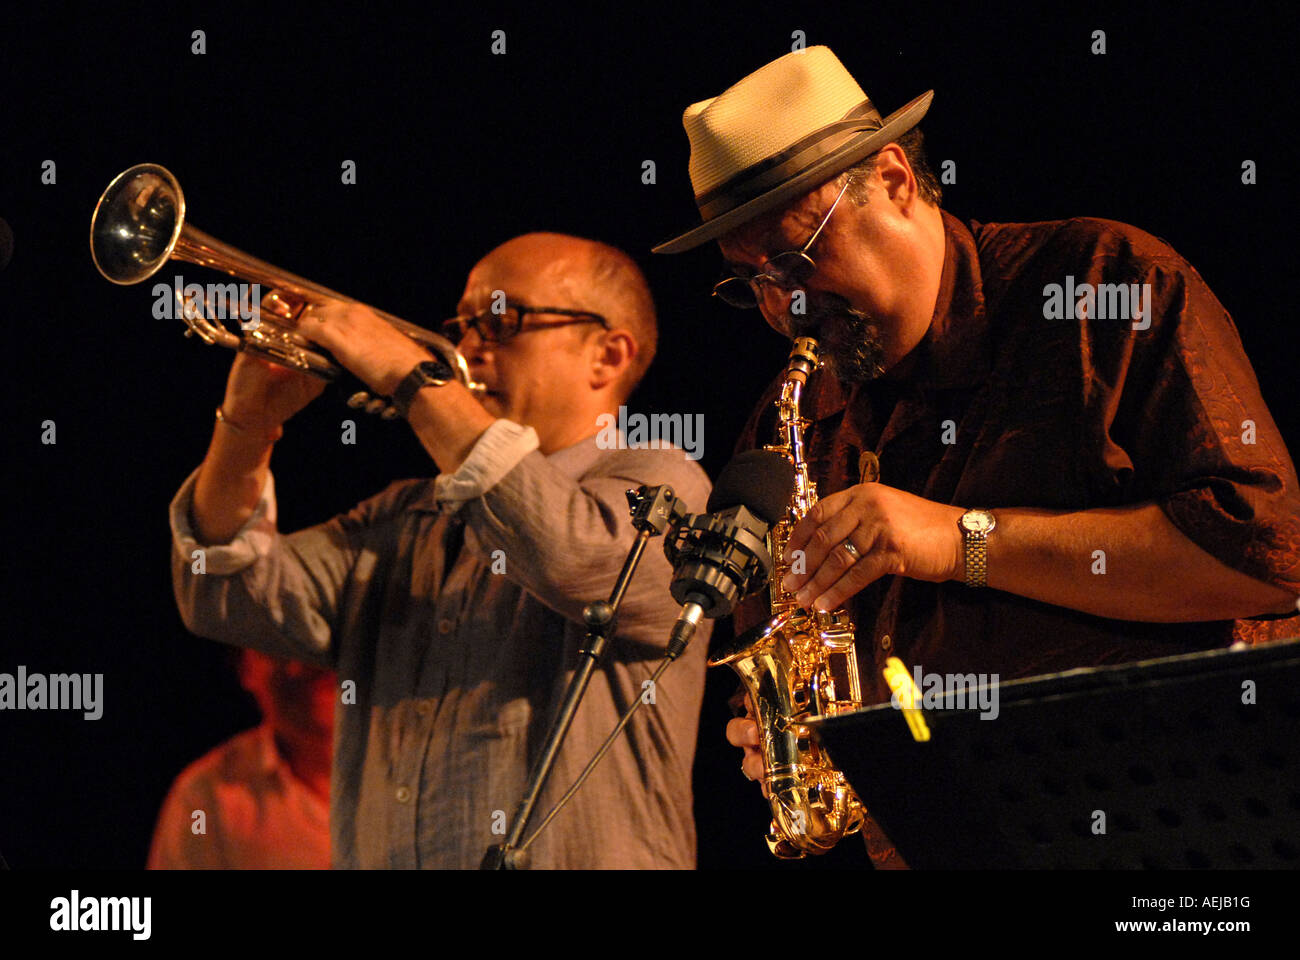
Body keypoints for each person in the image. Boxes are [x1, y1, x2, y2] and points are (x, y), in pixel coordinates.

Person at [654, 46, 1300, 867]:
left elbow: (1270, 557)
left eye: (793, 259)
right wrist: (790, 737)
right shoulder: (795, 419)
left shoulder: (1105, 282)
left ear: (892, 178)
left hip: (1173, 836)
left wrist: (965, 542)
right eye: (750, 283)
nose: (785, 307)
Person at [169, 232, 712, 868]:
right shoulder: (405, 515)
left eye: (503, 319)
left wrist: (409, 375)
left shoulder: (663, 488)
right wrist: (246, 427)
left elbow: (572, 558)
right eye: (464, 324)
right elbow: (224, 596)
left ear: (607, 356)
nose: (468, 346)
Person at [147, 649, 334, 869]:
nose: (299, 666)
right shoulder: (207, 797)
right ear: (245, 668)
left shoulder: (384, 767)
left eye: (312, 645)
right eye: (275, 650)